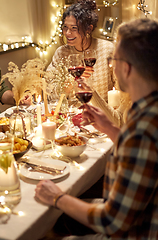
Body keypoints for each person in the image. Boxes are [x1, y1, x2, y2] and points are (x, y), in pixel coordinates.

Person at [35, 18, 158, 239]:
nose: (111, 64)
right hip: (135, 213)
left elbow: (111, 221)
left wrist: (57, 197)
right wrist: (110, 128)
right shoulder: (148, 111)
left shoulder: (143, 129)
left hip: (136, 231)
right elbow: (146, 155)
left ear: (127, 69)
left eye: (115, 59)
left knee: (50, 221)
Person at [46, 0, 130, 127]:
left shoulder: (107, 49)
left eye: (74, 28)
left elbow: (121, 92)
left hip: (103, 118)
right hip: (71, 121)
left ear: (88, 29)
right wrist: (73, 81)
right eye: (65, 27)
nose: (67, 33)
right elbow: (50, 94)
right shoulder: (61, 53)